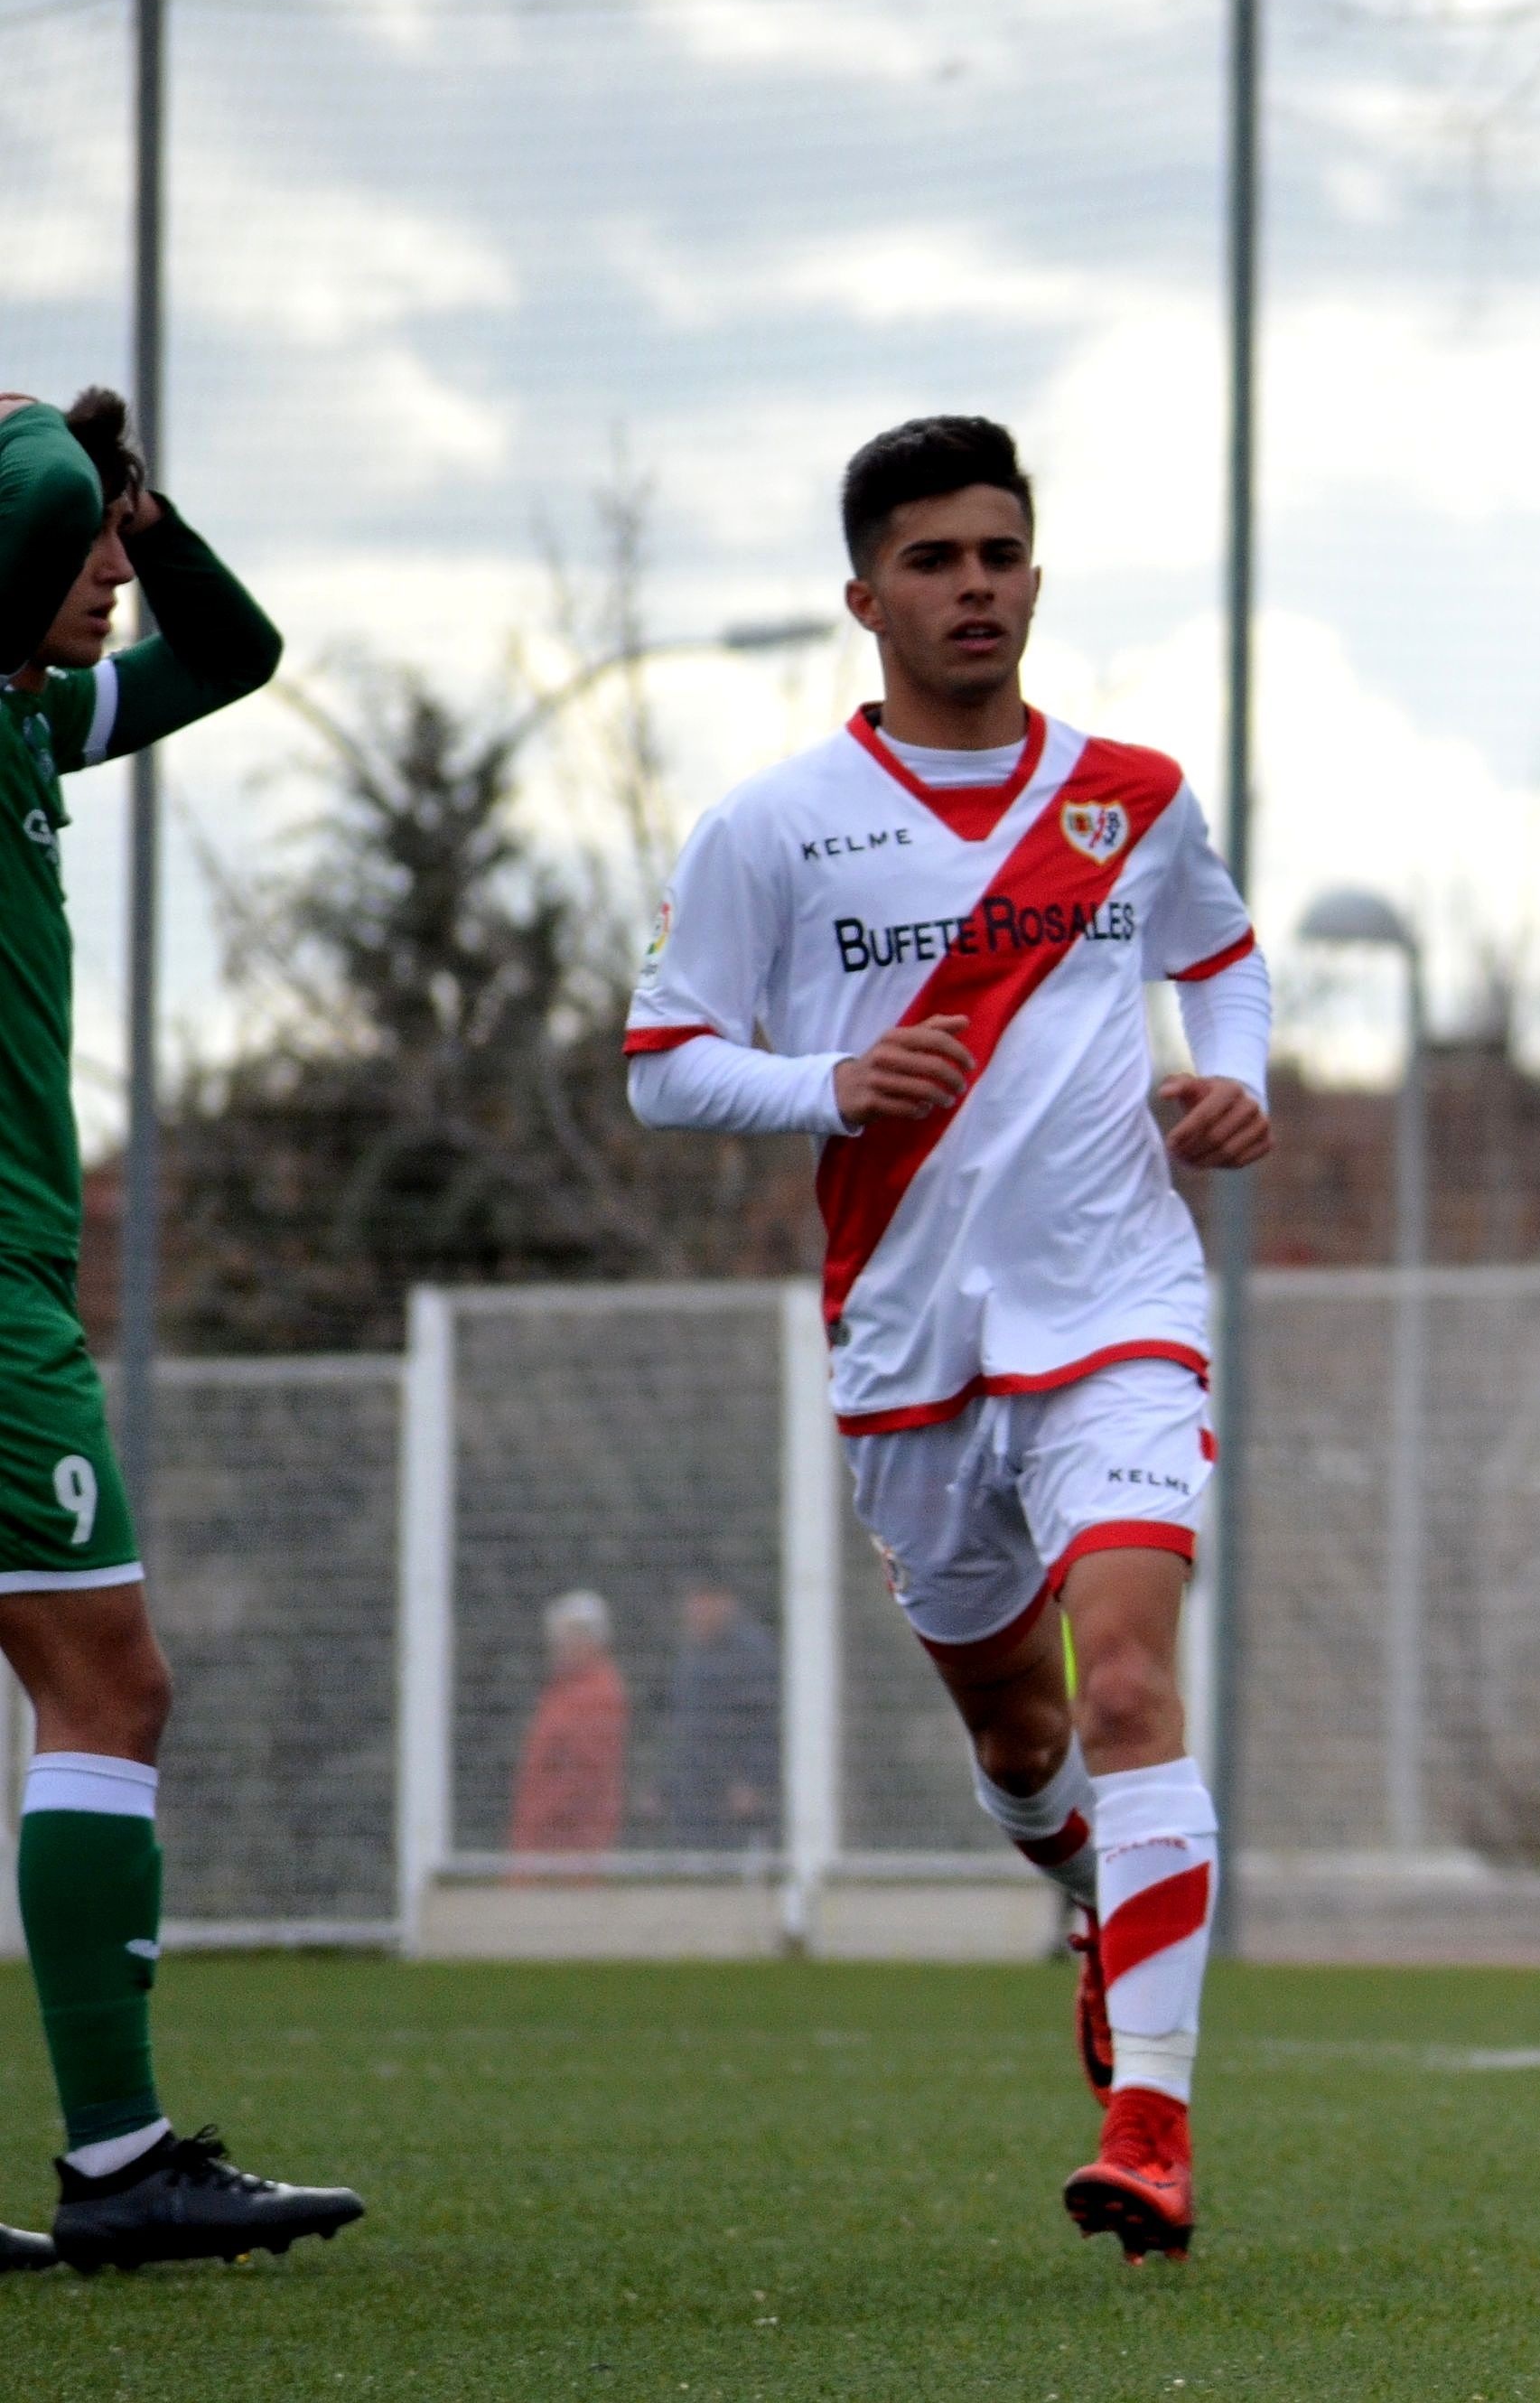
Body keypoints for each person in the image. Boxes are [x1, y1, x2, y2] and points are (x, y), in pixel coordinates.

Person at [625, 416, 1269, 2263]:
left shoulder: (1134, 796)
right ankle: (1078, 1878)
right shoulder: (769, 825)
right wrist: (830, 1083)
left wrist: (1229, 1083)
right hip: (907, 1341)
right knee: (1019, 1724)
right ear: (864, 597)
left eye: (997, 555)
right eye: (932, 560)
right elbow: (666, 1066)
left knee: (1132, 1679)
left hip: (1116, 1312)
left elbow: (1220, 959)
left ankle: (1150, 2122)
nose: (971, 586)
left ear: (1034, 579)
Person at [0, 386, 356, 2275]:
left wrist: (132, 491)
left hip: (15, 1273)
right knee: (110, 1690)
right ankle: (124, 2166)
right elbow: (30, 482)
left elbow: (242, 652)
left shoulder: (30, 720)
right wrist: (33, 436)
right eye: (86, 549)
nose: (113, 567)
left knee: (87, 1692)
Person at [507, 1589, 630, 1867]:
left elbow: (586, 1773)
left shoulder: (597, 1694)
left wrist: (543, 1818)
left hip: (567, 1846)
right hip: (543, 1839)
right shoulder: (564, 1689)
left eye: (569, 1636)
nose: (559, 1645)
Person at [664, 1579, 781, 1855]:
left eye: (704, 1601)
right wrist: (664, 1784)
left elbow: (762, 1724)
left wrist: (752, 1782)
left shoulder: (752, 1655)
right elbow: (681, 1725)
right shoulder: (691, 1655)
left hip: (729, 1798)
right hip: (692, 1790)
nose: (695, 1610)